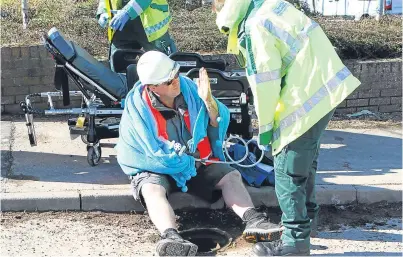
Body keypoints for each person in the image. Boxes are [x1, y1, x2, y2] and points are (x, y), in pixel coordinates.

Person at [211, 0, 361, 255]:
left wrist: (266, 128)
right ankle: (307, 221)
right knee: (304, 160)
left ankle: (294, 243)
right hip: (325, 87)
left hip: (303, 96)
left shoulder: (255, 26)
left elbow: (265, 83)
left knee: (287, 170)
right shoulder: (269, 5)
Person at [116, 51, 283, 256]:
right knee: (151, 189)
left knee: (231, 176)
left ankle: (254, 221)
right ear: (152, 87)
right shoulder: (137, 109)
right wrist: (178, 159)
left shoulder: (190, 89)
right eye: (168, 81)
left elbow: (216, 122)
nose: (175, 81)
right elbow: (149, 150)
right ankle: (171, 237)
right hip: (155, 164)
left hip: (193, 161)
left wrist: (209, 102)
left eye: (175, 73)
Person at [96, 0, 177, 71]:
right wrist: (103, 11)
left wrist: (127, 12)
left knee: (165, 67)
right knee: (118, 65)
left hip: (150, 25)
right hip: (121, 27)